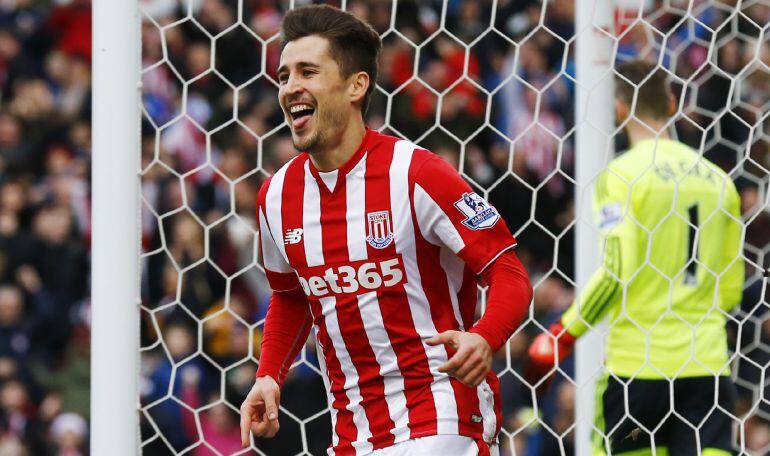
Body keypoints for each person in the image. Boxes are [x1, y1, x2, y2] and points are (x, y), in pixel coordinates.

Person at [238, 5, 533, 455]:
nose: (291, 87)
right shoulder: (276, 197)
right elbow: (290, 294)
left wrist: (485, 336)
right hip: (352, 433)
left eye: (308, 72)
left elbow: (508, 272)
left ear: (357, 85)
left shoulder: (418, 174)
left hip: (442, 414)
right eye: (283, 76)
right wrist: (268, 375)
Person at [527, 59, 744, 455]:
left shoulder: (623, 174)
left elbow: (617, 271)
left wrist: (565, 331)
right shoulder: (719, 180)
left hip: (638, 371)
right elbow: (731, 287)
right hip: (707, 369)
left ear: (620, 107)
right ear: (673, 102)